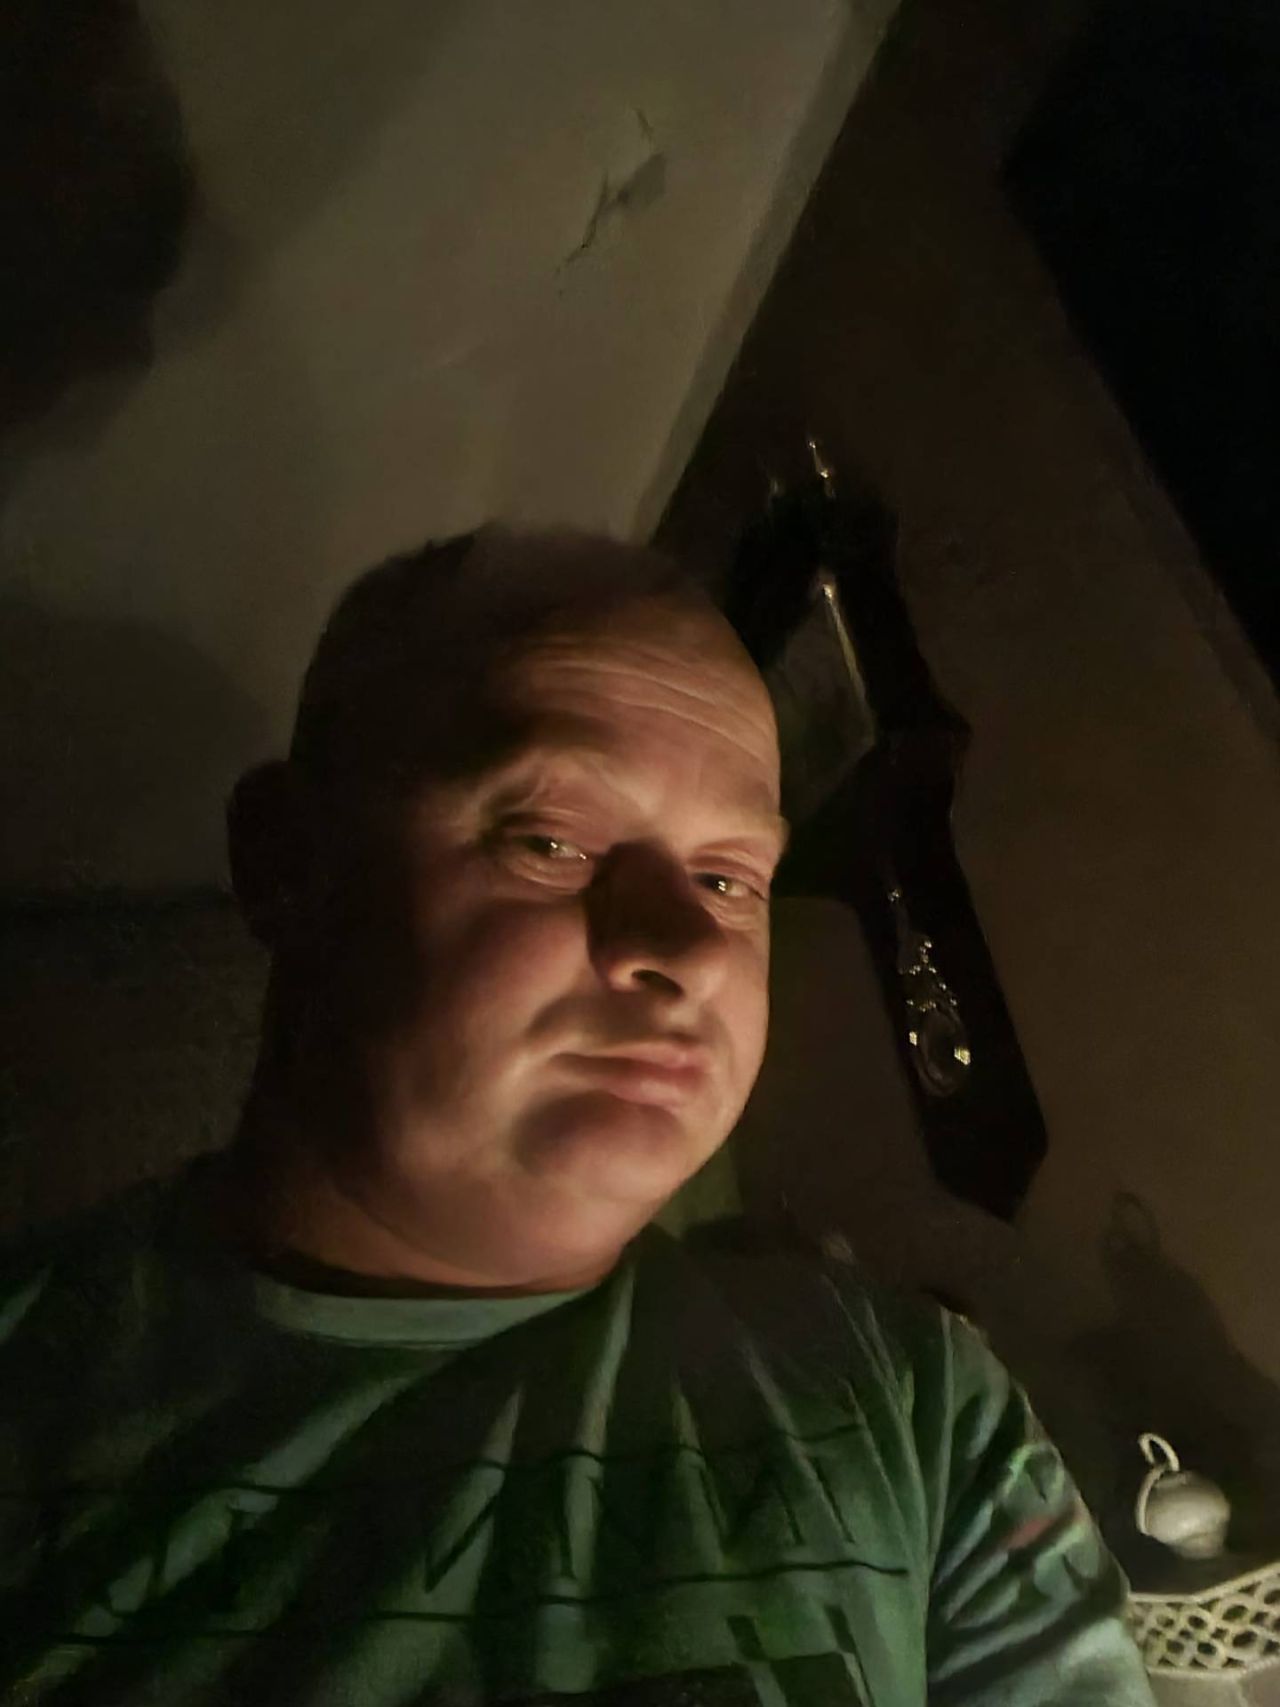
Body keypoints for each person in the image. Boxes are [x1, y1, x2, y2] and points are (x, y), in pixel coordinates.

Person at [0, 528, 1153, 1704]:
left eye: (726, 879)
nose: (683, 950)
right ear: (289, 862)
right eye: (550, 842)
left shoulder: (914, 1406)